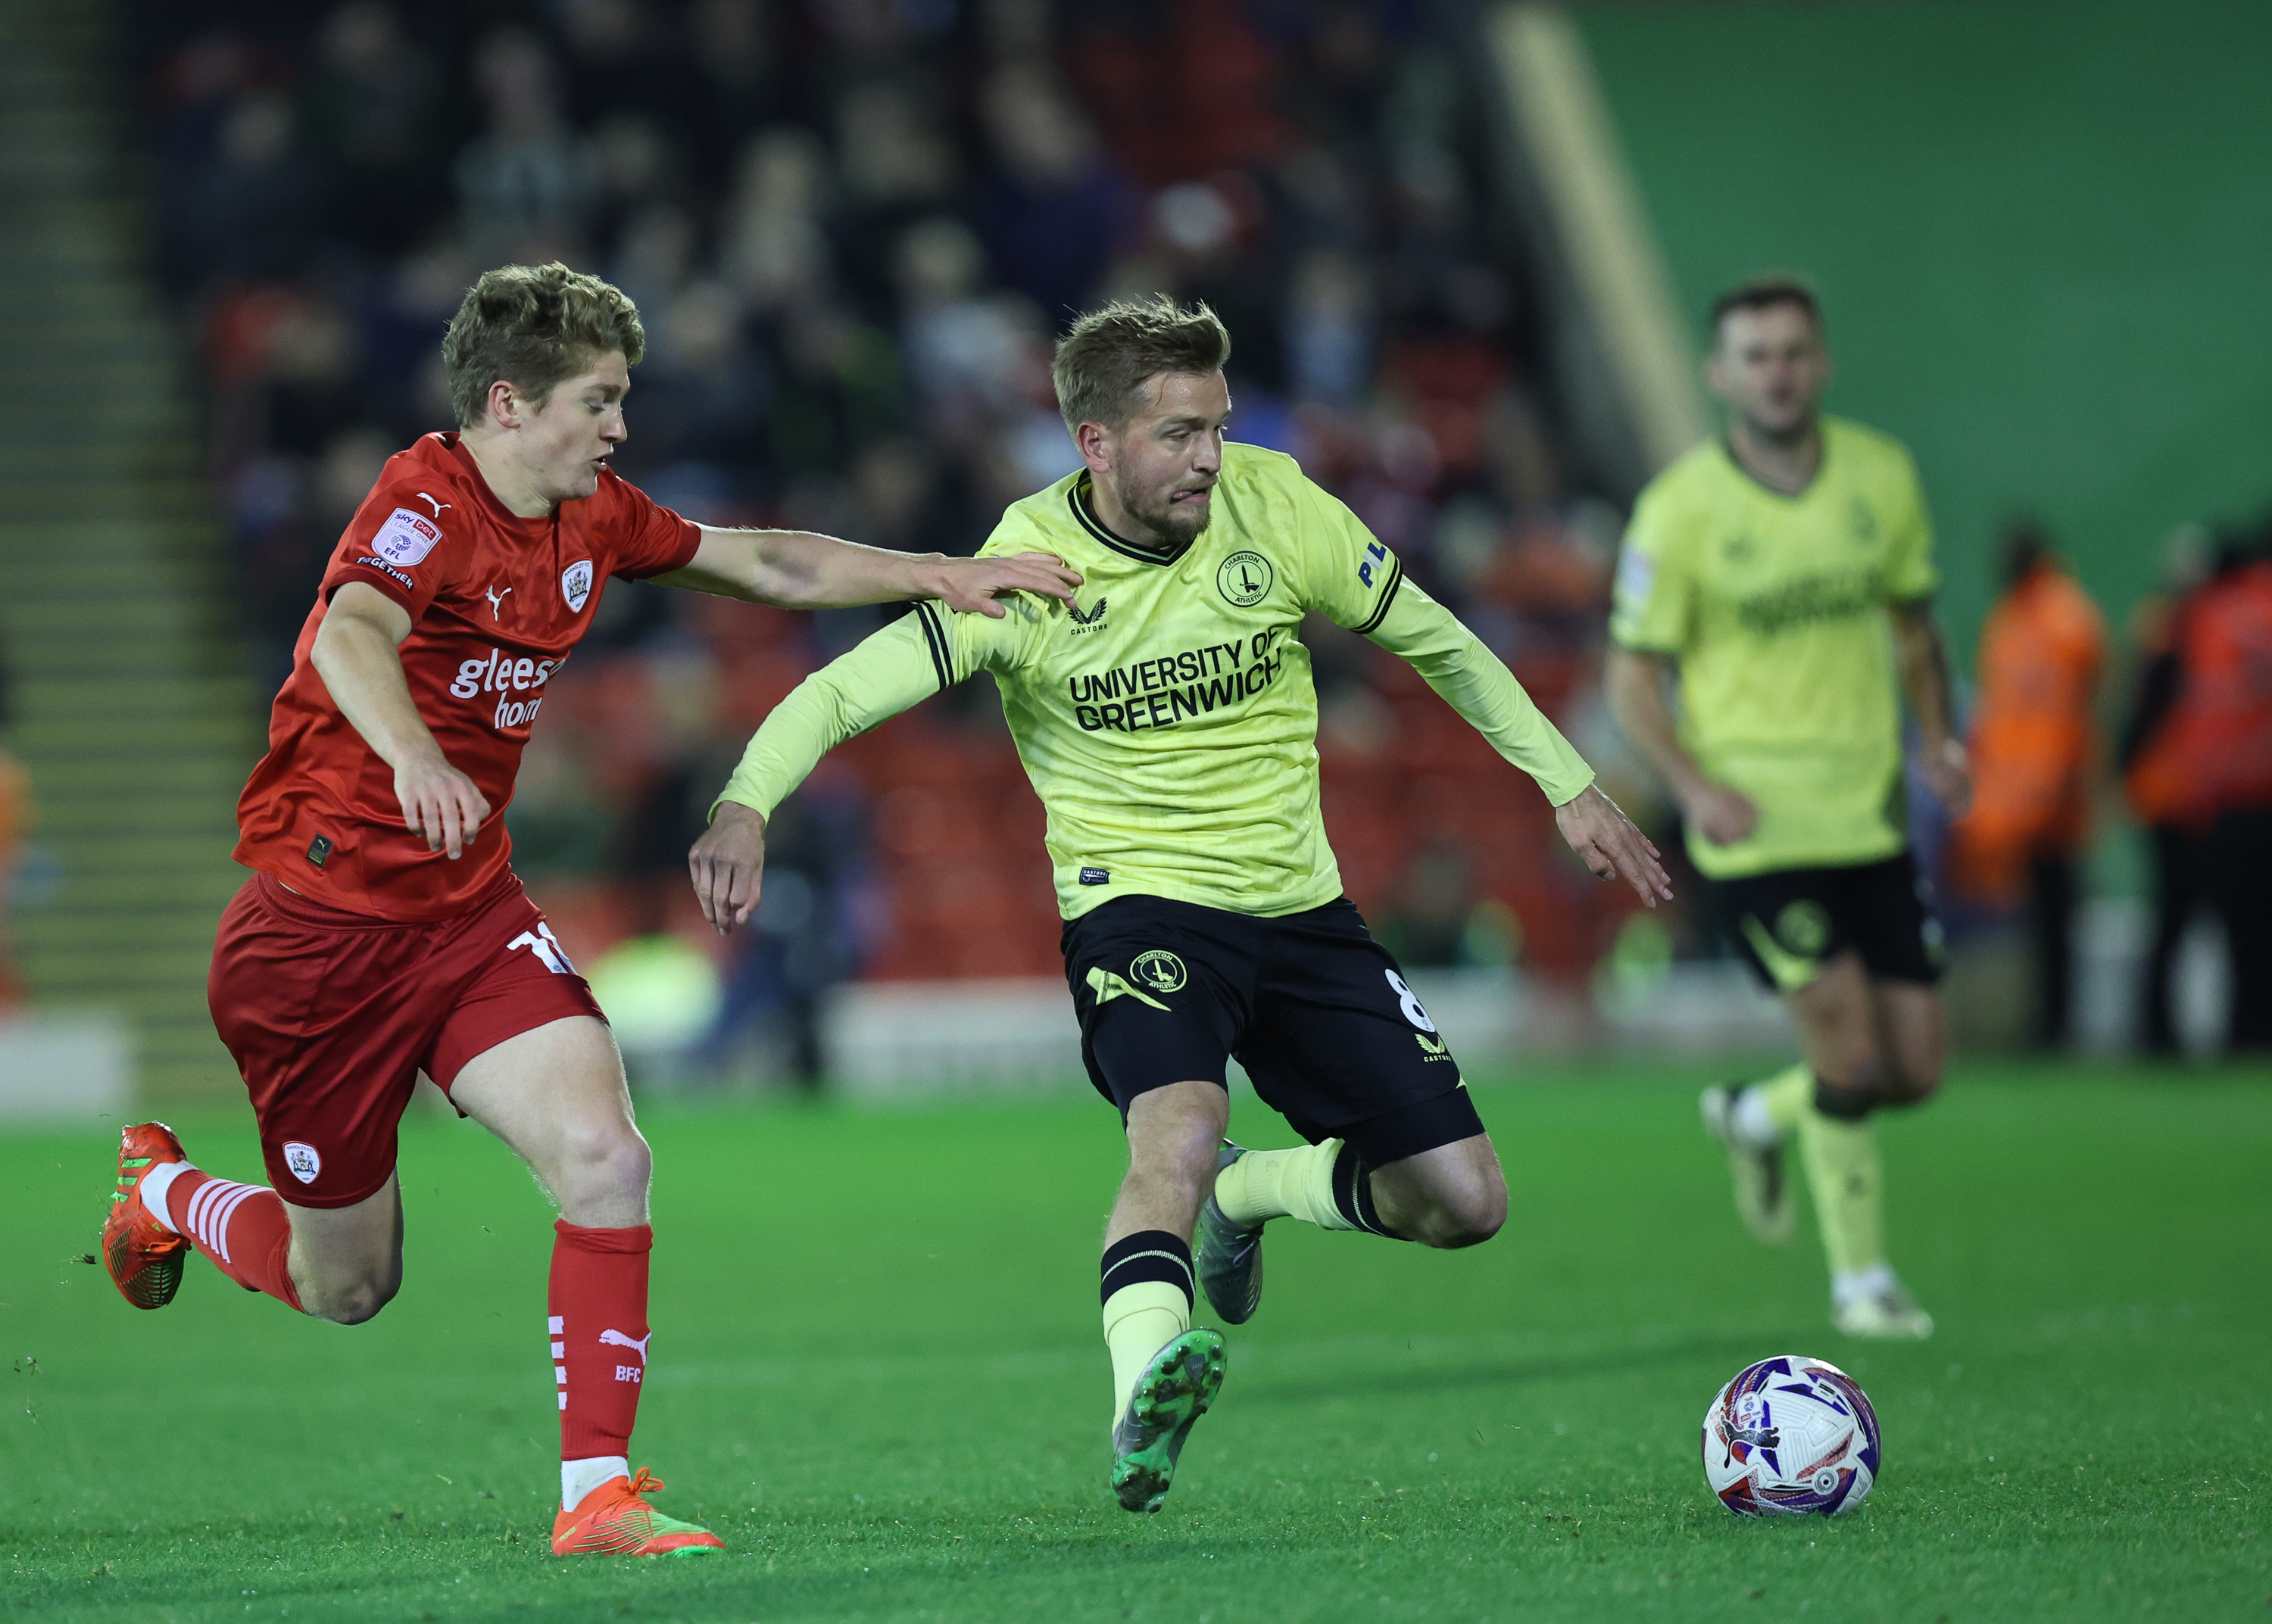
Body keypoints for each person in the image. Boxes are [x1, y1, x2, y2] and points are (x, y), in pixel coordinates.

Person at [98, 262, 1078, 1557]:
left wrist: (939, 571)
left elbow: (767, 560)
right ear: (510, 403)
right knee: (347, 1288)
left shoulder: (592, 518)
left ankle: (595, 1496)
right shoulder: (424, 498)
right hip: (316, 940)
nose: (620, 427)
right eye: (600, 400)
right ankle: (165, 1196)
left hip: (468, 912)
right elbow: (350, 634)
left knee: (609, 1160)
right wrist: (415, 757)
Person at [686, 297, 1670, 1513]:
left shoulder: (1279, 506)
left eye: (1217, 424)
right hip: (1138, 909)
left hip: (1303, 911)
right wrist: (746, 801)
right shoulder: (1025, 569)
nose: (1209, 455)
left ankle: (1253, 1195)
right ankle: (1144, 1396)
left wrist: (1570, 788)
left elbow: (1439, 639)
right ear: (1094, 442)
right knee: (1177, 1131)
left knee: (1465, 1204)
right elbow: (837, 695)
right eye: (1177, 434)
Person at [1603, 278, 1967, 1341]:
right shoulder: (1680, 510)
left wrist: (1939, 737)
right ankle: (1864, 1287)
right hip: (1755, 831)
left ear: (1823, 362)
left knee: (1916, 1069)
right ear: (1721, 376)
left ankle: (1757, 1115)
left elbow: (1915, 627)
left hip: (1872, 818)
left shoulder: (1881, 477)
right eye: (1755, 355)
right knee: (1848, 1054)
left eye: (1793, 352)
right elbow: (1631, 681)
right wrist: (1695, 788)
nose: (1777, 371)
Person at [1945, 520, 2104, 1049]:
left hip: (2053, 804)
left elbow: (2073, 718)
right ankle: (2039, 1023)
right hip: (2013, 803)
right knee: (2032, 922)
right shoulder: (2012, 620)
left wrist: (2054, 790)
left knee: (2056, 920)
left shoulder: (2063, 621)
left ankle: (2056, 1025)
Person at [2124, 534, 2272, 1051]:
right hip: (2215, 795)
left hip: (2191, 798)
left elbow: (2148, 718)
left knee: (2181, 920)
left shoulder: (2189, 625)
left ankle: (2162, 1032)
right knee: (2238, 925)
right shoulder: (2221, 620)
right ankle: (2242, 1031)